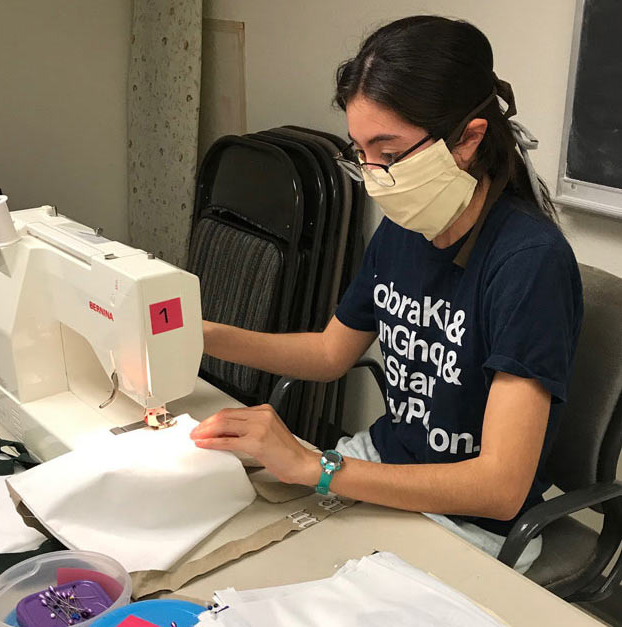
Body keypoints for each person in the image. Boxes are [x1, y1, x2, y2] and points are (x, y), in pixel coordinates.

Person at [190, 15, 583, 572]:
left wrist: (317, 468)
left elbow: (498, 487)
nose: (373, 176)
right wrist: (201, 336)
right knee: (219, 538)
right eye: (361, 153)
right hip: (381, 467)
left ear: (468, 139)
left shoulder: (529, 263)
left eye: (390, 154)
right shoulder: (405, 229)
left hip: (472, 524)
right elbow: (330, 355)